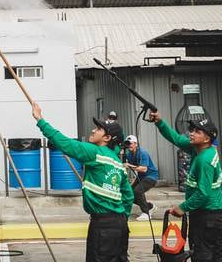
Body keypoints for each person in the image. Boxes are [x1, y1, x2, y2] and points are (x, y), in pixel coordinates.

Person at [32, 102, 134, 262]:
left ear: (107, 138)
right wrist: (122, 218)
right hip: (120, 225)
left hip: (103, 225)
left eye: (99, 129)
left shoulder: (95, 152)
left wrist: (40, 120)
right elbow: (128, 196)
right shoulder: (117, 162)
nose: (93, 130)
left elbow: (66, 144)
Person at [149, 111, 222, 261]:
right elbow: (175, 138)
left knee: (203, 255)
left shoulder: (204, 160)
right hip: (210, 214)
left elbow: (203, 194)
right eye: (192, 130)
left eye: (197, 131)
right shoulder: (198, 149)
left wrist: (182, 207)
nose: (192, 133)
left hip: (207, 216)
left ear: (207, 138)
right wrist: (159, 122)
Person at [124, 135, 159, 221]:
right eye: (127, 144)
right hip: (141, 177)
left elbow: (143, 169)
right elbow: (131, 167)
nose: (129, 145)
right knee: (129, 194)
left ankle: (146, 213)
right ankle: (150, 207)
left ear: (136, 144)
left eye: (131, 143)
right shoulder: (129, 154)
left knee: (137, 191)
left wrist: (129, 166)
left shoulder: (142, 153)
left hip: (151, 177)